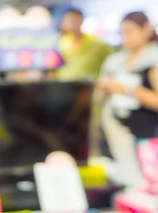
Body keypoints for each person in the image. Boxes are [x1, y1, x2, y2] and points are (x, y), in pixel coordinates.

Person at [99, 11, 158, 140]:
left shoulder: (153, 58)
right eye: (123, 33)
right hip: (114, 129)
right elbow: (100, 97)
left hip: (146, 133)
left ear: (146, 29)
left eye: (130, 32)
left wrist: (126, 90)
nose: (126, 37)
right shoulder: (114, 61)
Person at [56, 8, 112, 80]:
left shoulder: (97, 43)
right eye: (68, 20)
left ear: (81, 20)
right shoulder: (61, 43)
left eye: (74, 19)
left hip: (89, 86)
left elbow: (110, 63)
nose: (71, 23)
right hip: (65, 85)